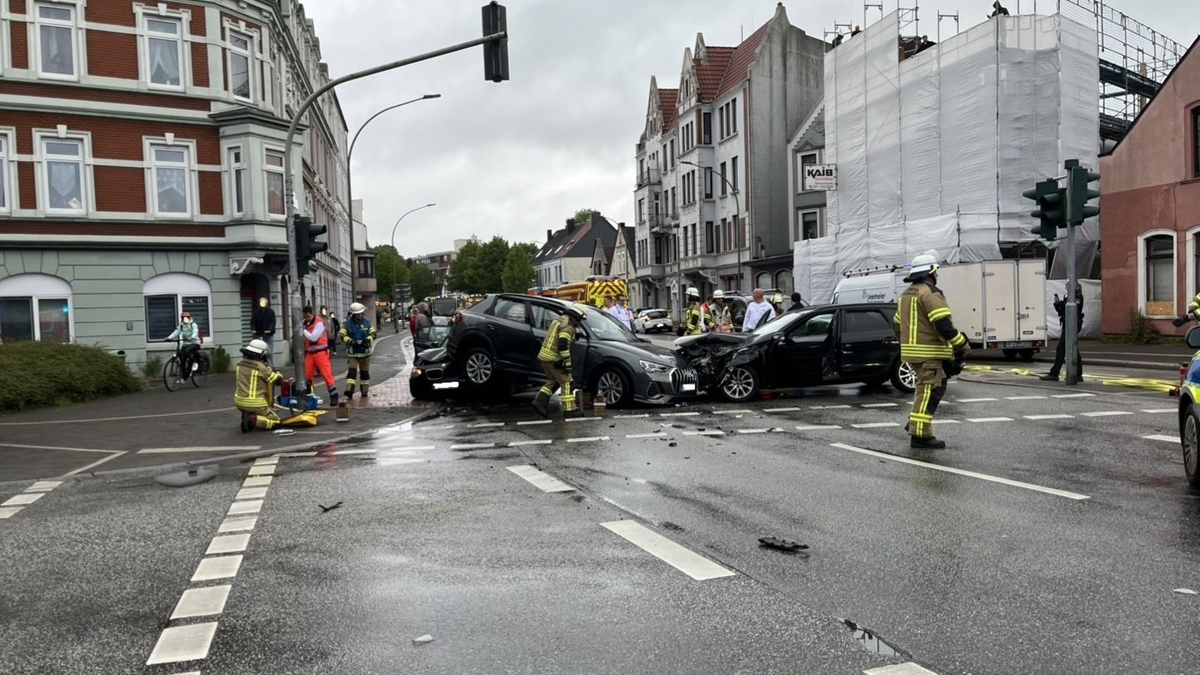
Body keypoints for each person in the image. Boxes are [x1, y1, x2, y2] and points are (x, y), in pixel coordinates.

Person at [893, 252, 971, 449]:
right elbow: (943, 324)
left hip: (913, 354)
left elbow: (896, 325)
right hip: (929, 355)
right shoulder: (930, 294)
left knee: (927, 390)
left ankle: (915, 424)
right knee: (929, 392)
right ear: (932, 272)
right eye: (936, 271)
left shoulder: (905, 295)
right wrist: (961, 343)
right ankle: (920, 435)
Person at [531, 305, 586, 417]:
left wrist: (575, 337)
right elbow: (562, 345)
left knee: (553, 381)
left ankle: (540, 402)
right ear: (576, 317)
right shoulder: (569, 326)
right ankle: (569, 410)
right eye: (580, 320)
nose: (580, 323)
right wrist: (567, 364)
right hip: (553, 358)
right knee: (566, 381)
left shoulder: (560, 319)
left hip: (545, 356)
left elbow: (558, 338)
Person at [235, 339, 283, 432]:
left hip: (239, 402)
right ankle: (253, 420)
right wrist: (278, 372)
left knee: (253, 409)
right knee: (277, 422)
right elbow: (278, 381)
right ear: (261, 355)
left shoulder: (239, 363)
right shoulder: (262, 368)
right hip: (256, 404)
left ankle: (248, 415)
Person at [1041, 283, 1085, 381]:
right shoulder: (1067, 296)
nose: (1066, 287)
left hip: (1072, 325)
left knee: (1061, 348)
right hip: (1067, 325)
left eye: (1068, 286)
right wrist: (1057, 304)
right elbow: (1062, 312)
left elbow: (1074, 310)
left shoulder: (1077, 296)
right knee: (1073, 348)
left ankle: (1054, 373)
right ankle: (1078, 374)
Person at [302, 305, 339, 407]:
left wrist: (303, 330)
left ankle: (334, 396)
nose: (307, 318)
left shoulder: (319, 323)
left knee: (326, 375)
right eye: (305, 317)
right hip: (310, 353)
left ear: (313, 313)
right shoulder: (304, 323)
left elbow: (313, 338)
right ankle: (310, 397)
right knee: (308, 377)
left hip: (321, 353)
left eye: (308, 316)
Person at [339, 302, 377, 399]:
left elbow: (373, 333)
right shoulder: (348, 324)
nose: (359, 315)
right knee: (352, 373)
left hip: (365, 353)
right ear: (353, 314)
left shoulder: (367, 322)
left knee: (364, 374)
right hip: (353, 353)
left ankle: (364, 392)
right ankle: (349, 391)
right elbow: (342, 335)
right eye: (357, 314)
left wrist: (368, 340)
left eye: (360, 313)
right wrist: (351, 341)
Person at [164, 310, 202, 378]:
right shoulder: (181, 325)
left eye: (187, 317)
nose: (185, 319)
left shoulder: (193, 324)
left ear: (189, 318)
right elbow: (176, 332)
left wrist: (192, 337)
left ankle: (194, 363)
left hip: (195, 343)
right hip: (186, 344)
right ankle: (184, 376)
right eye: (183, 317)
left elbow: (195, 332)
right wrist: (169, 338)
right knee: (182, 359)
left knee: (187, 351)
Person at [250, 296, 276, 366]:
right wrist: (253, 329)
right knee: (259, 351)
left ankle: (271, 367)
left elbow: (272, 322)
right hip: (259, 333)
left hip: (268, 335)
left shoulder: (271, 312)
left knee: (269, 352)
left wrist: (269, 330)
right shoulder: (256, 312)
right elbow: (253, 322)